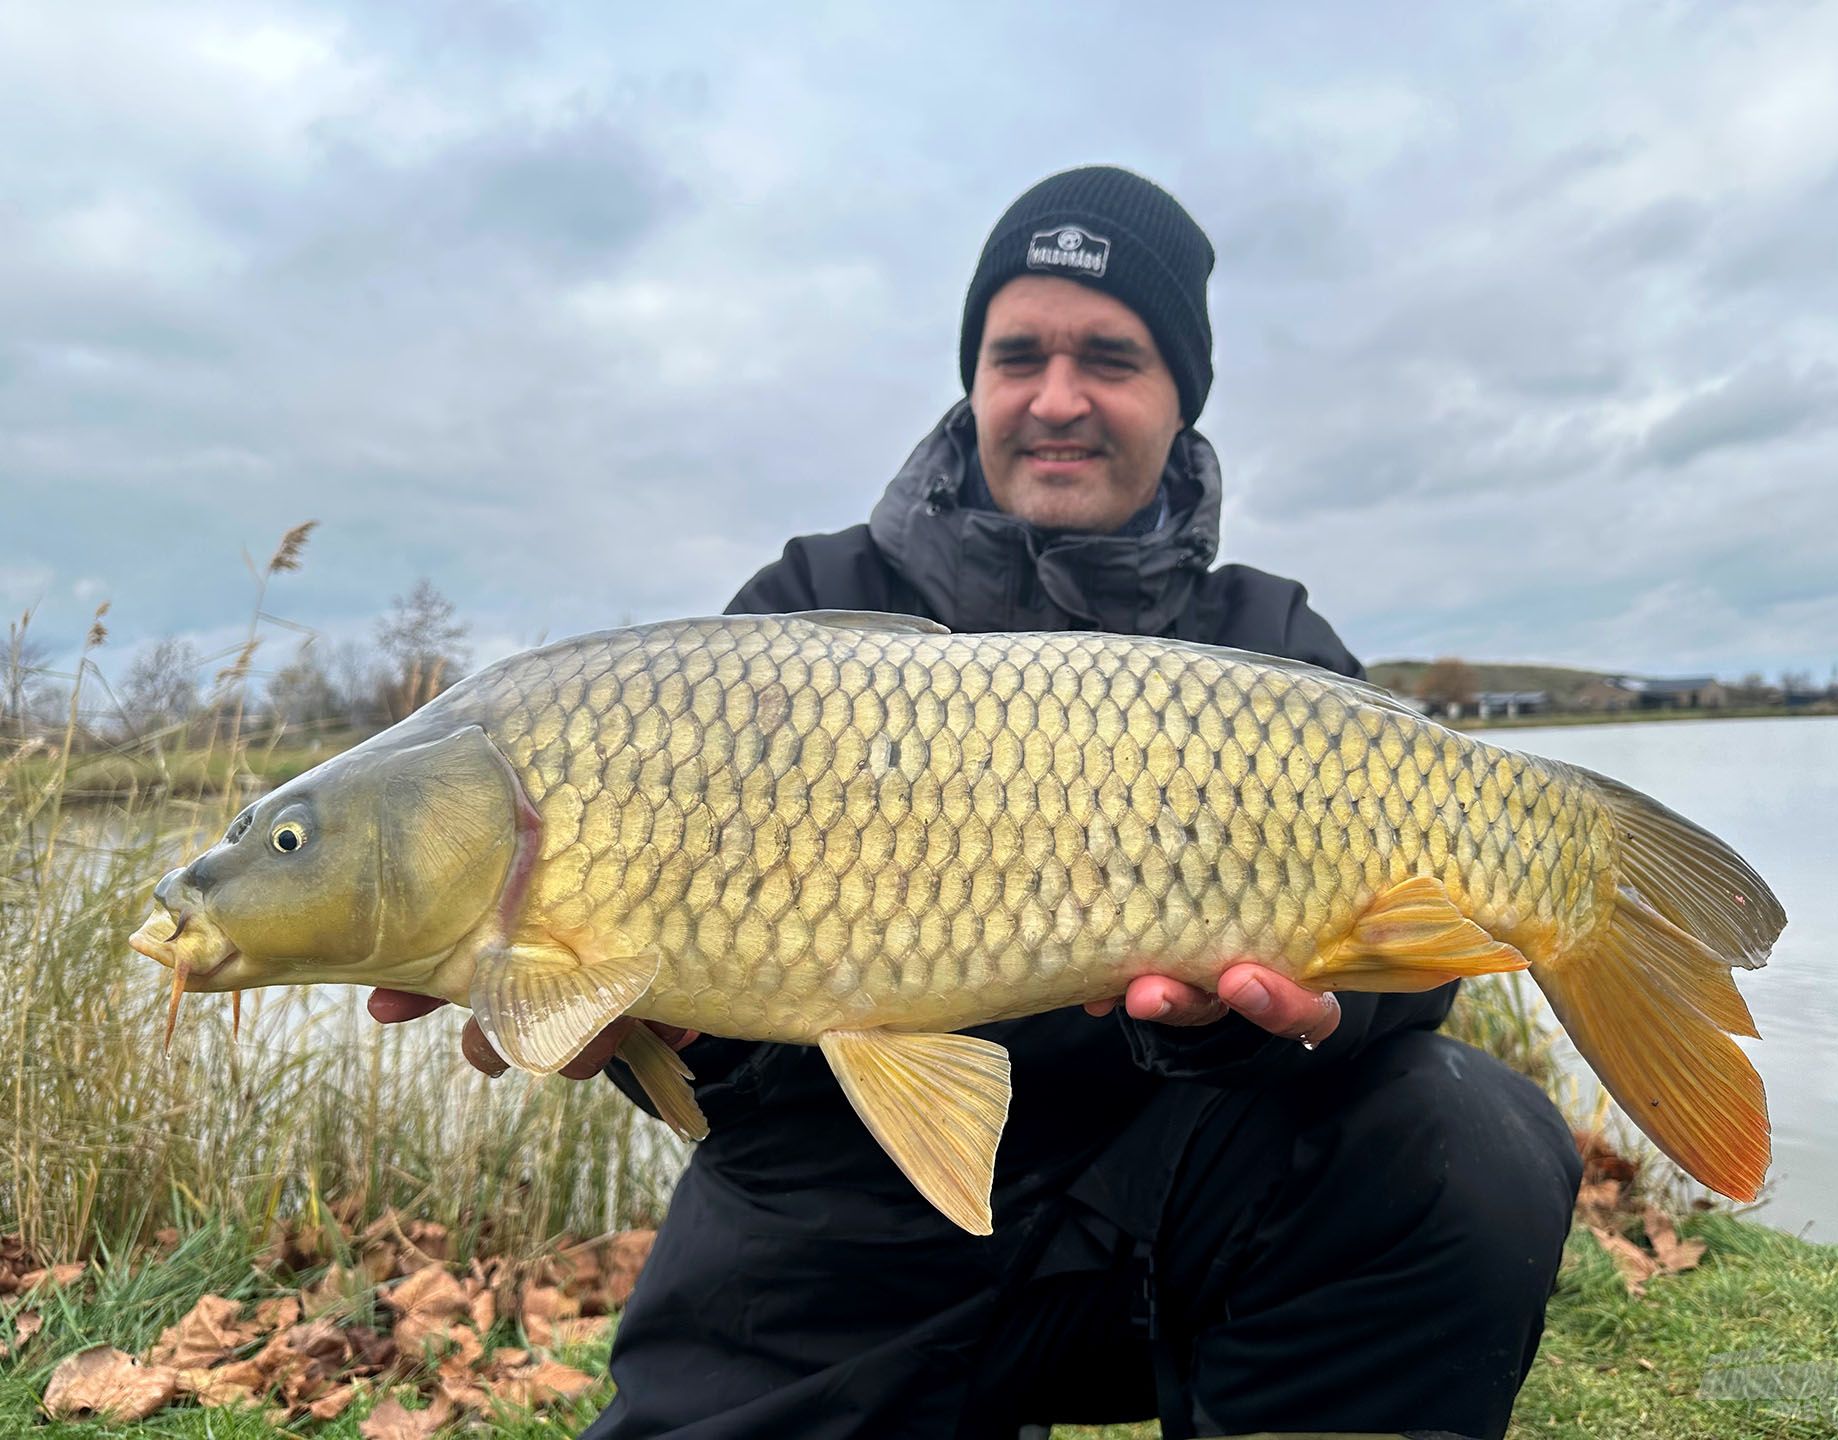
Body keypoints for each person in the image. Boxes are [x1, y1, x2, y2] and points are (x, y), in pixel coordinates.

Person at [373, 166, 1581, 1439]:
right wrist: (674, 1033)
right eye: (1019, 356)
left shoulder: (1268, 646)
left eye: (1110, 356)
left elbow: (1409, 963)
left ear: (1183, 398)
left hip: (1194, 1190)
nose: (1058, 398)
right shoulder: (791, 616)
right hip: (842, 1227)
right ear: (975, 381)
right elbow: (713, 1061)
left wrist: (1268, 1029)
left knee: (1465, 1140)